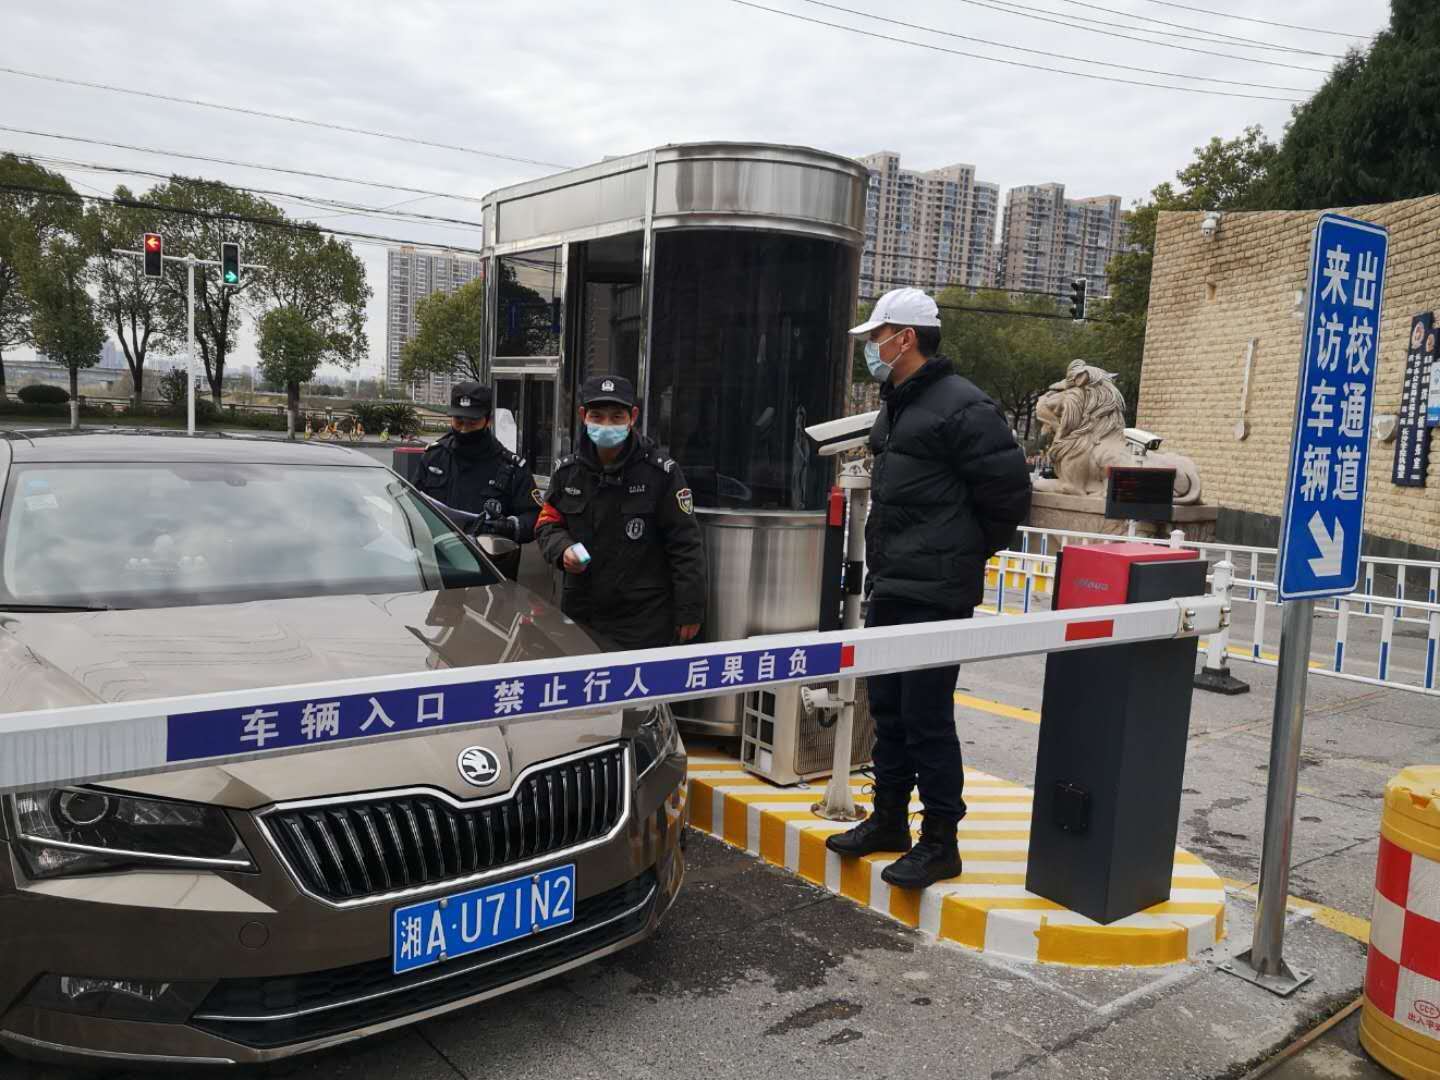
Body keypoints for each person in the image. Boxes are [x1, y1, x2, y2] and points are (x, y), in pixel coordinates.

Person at [826, 288, 1032, 890]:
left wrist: (958, 556)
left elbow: (1007, 499)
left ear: (905, 337)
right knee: (887, 708)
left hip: (935, 592)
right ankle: (889, 819)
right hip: (891, 584)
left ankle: (941, 841)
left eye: (876, 336)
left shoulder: (964, 406)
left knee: (927, 717)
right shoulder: (898, 405)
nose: (871, 348)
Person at [535, 375, 707, 650]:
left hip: (643, 619)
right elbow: (547, 524)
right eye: (597, 416)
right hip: (582, 612)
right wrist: (562, 549)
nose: (606, 425)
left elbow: (685, 544)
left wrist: (690, 610)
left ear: (633, 417)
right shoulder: (567, 472)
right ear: (583, 415)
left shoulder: (661, 474)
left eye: (616, 417)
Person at [413, 381, 541, 580]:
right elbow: (412, 504)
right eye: (458, 421)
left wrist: (509, 525)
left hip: (491, 573)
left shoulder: (512, 467)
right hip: (438, 568)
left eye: (472, 423)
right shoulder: (434, 457)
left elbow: (535, 517)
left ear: (488, 420)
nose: (464, 430)